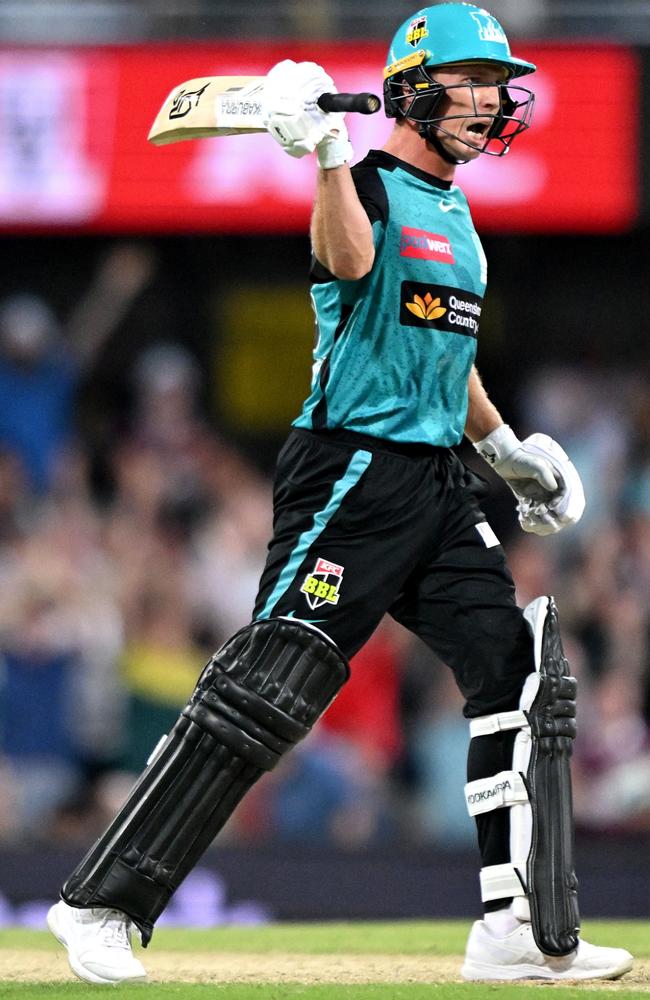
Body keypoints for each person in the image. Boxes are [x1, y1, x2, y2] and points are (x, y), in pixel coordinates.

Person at [47, 3, 632, 984]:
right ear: (412, 88)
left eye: (499, 83)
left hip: (438, 481)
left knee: (521, 675)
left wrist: (512, 456)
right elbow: (348, 263)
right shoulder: (360, 182)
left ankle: (516, 930)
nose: (492, 101)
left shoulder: (460, 218)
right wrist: (324, 149)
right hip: (351, 469)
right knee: (272, 684)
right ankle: (101, 902)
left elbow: (448, 361)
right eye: (472, 80)